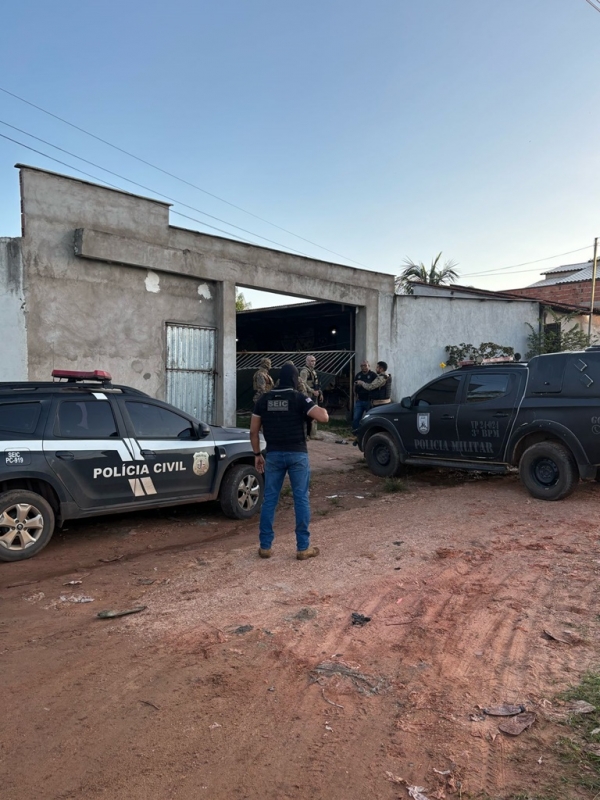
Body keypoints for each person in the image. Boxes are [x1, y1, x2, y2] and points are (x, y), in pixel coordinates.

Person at [250, 362, 329, 560]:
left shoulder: (264, 400)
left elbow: (253, 431)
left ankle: (265, 546)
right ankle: (303, 548)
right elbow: (324, 418)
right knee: (300, 498)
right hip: (297, 455)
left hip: (274, 455)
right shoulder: (299, 398)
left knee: (270, 500)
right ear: (295, 379)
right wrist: (313, 400)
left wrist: (257, 455)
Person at [299, 355, 323, 439]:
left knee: (314, 415)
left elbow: (316, 383)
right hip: (308, 396)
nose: (313, 362)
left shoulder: (313, 371)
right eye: (311, 361)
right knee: (306, 415)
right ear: (307, 361)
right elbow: (303, 383)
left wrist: (320, 393)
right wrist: (312, 391)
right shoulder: (304, 371)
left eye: (314, 361)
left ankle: (313, 434)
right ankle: (306, 434)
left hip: (314, 396)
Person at [352, 360, 377, 433]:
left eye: (365, 365)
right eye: (362, 366)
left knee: (369, 418)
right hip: (359, 400)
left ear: (369, 366)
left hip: (369, 400)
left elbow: (375, 386)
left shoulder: (373, 375)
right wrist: (355, 396)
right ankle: (356, 433)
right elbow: (354, 386)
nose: (363, 368)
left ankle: (369, 432)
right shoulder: (358, 375)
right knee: (356, 418)